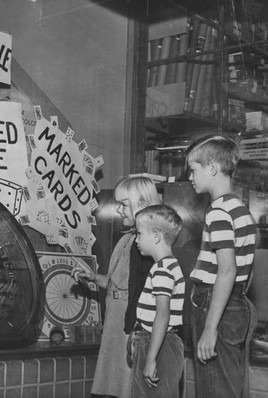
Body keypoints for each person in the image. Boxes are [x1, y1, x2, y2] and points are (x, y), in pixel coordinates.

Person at [71, 176, 161, 398]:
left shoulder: (146, 244)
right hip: (115, 324)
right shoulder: (127, 239)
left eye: (123, 204)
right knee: (112, 386)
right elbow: (117, 285)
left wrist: (137, 333)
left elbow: (148, 293)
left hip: (129, 327)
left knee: (126, 386)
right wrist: (93, 277)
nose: (119, 210)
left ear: (141, 205)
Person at [186, 134, 257, 398]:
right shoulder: (241, 209)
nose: (190, 177)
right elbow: (245, 272)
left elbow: (227, 271)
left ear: (212, 168)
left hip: (214, 305)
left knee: (213, 389)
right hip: (235, 303)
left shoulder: (217, 211)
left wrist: (210, 328)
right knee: (229, 386)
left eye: (193, 170)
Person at [129, 204, 185, 398]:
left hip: (159, 345)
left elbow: (162, 315)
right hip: (157, 341)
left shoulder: (162, 269)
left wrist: (151, 357)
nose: (136, 240)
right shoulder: (169, 266)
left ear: (156, 236)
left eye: (139, 233)